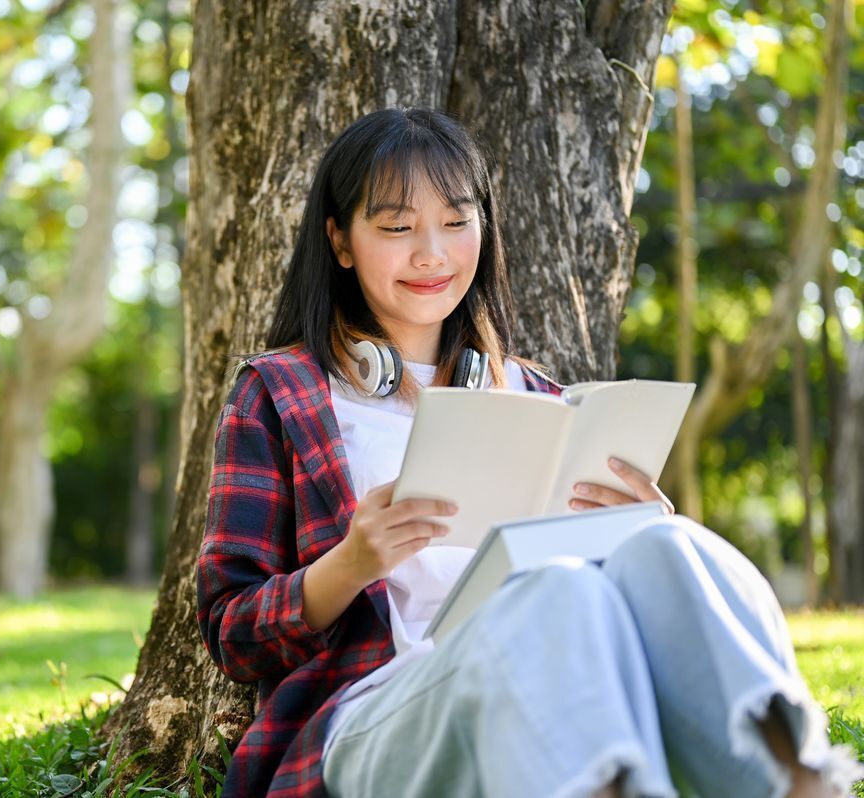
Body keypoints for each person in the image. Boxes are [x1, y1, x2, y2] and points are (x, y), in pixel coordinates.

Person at [195, 107, 862, 798]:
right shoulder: (281, 394)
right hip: (380, 710)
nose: (432, 253)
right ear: (340, 241)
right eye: (397, 227)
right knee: (555, 591)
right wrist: (350, 563)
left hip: (568, 683)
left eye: (457, 223)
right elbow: (230, 632)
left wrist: (633, 526)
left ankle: (797, 783)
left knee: (667, 546)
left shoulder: (539, 395)